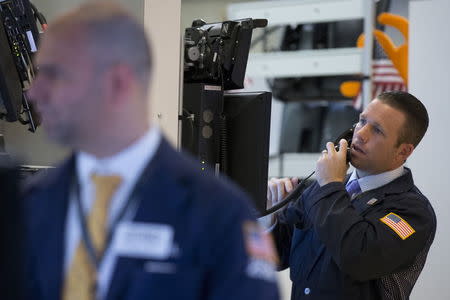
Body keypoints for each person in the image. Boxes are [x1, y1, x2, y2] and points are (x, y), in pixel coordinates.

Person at [23, 2, 279, 300]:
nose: (35, 92)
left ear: (117, 82)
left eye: (54, 74)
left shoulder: (220, 213)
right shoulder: (33, 203)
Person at [267, 91, 436, 299]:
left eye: (377, 130)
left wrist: (330, 185)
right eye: (362, 120)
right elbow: (274, 257)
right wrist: (270, 216)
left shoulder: (413, 212)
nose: (360, 134)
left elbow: (356, 256)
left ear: (403, 151)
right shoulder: (324, 186)